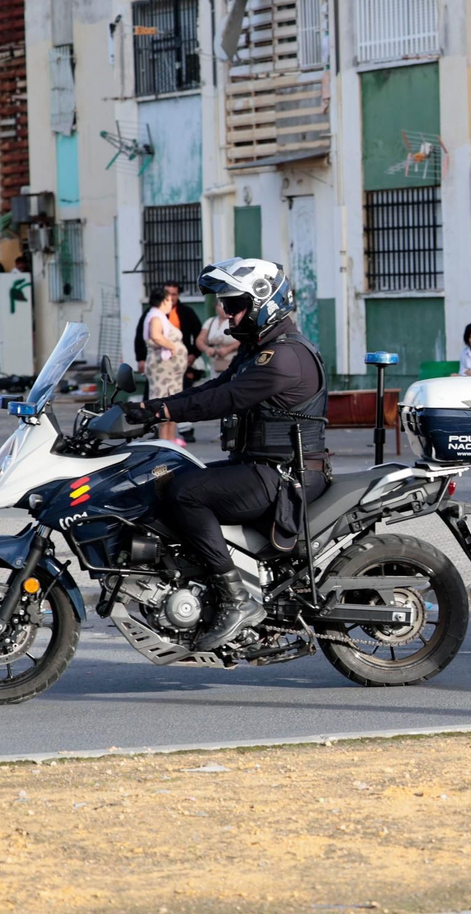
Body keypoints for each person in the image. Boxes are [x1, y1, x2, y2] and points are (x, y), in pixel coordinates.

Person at [122, 258, 328, 651]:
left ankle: (236, 599)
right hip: (261, 467)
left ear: (264, 301)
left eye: (234, 303)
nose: (226, 312)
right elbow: (212, 387)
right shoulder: (259, 349)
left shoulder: (285, 356)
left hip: (284, 475)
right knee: (161, 477)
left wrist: (161, 412)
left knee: (186, 492)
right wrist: (150, 407)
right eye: (224, 304)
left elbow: (226, 398)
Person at [144, 288, 189, 447]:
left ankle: (170, 437)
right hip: (163, 370)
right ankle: (164, 438)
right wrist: (172, 347)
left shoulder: (161, 316)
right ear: (163, 301)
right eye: (169, 300)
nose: (171, 303)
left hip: (172, 373)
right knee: (163, 401)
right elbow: (156, 336)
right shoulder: (155, 316)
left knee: (173, 400)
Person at [164, 281, 205, 385]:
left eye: (173, 294)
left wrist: (194, 354)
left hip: (182, 362)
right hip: (161, 362)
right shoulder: (155, 313)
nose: (171, 297)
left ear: (178, 295)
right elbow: (142, 335)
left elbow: (199, 335)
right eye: (168, 294)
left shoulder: (186, 312)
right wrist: (141, 358)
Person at [197, 298, 241, 374]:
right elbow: (199, 340)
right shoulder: (210, 321)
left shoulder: (235, 320)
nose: (223, 309)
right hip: (215, 363)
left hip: (232, 361)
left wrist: (229, 349)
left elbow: (242, 340)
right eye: (220, 306)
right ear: (216, 307)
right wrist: (207, 349)